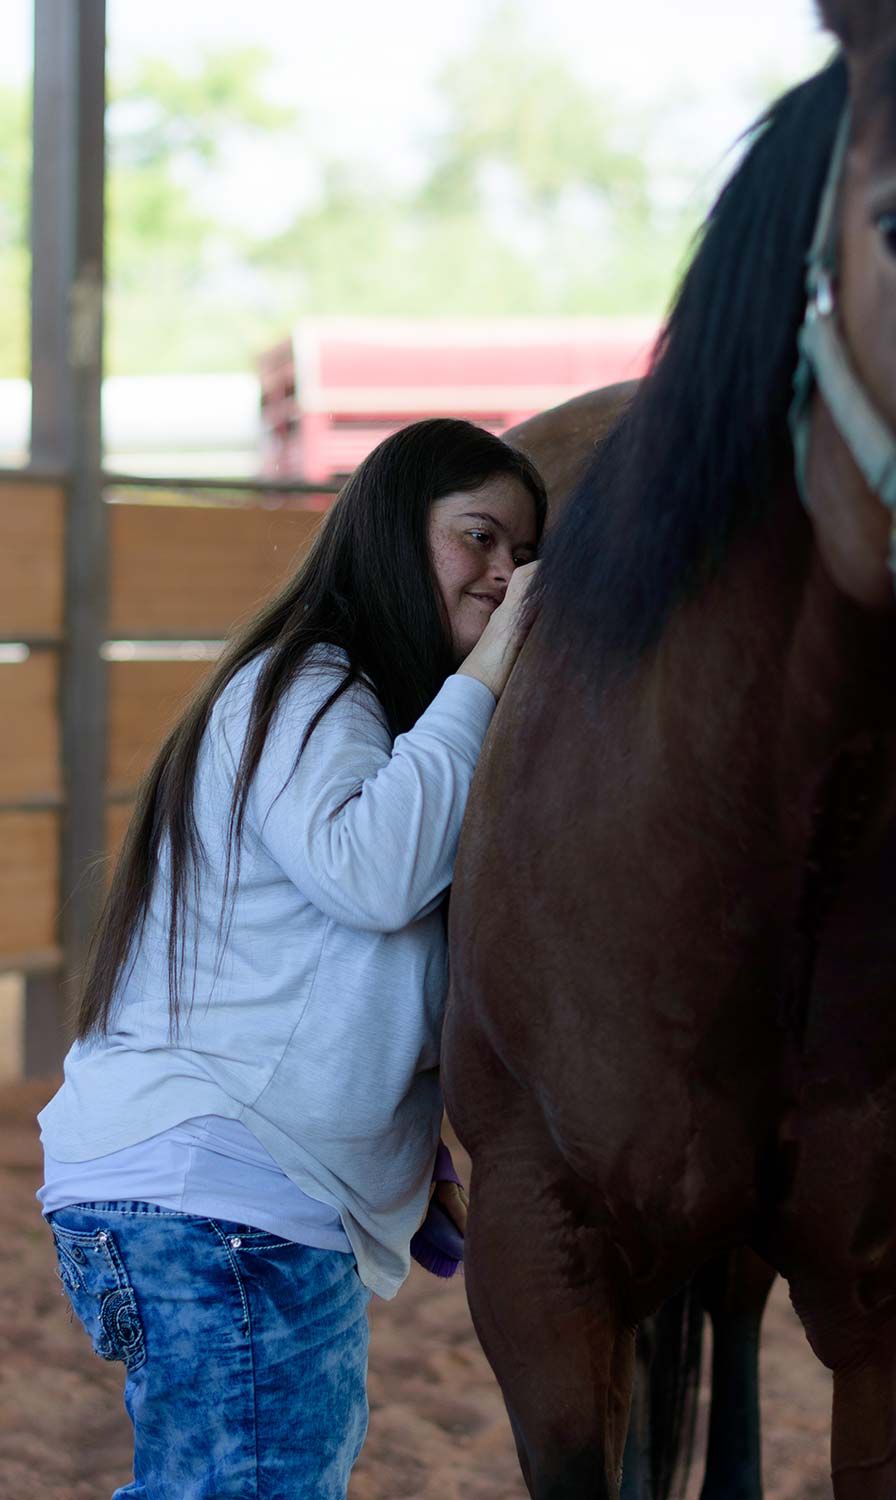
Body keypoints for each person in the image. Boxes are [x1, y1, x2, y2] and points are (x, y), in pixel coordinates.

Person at [36, 417, 546, 1500]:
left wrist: (417, 1153)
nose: (505, 574)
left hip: (215, 1199)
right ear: (389, 532)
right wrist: (491, 675)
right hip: (220, 1203)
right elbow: (372, 874)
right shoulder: (309, 682)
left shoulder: (352, 711)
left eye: (520, 551)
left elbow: (341, 957)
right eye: (479, 537)